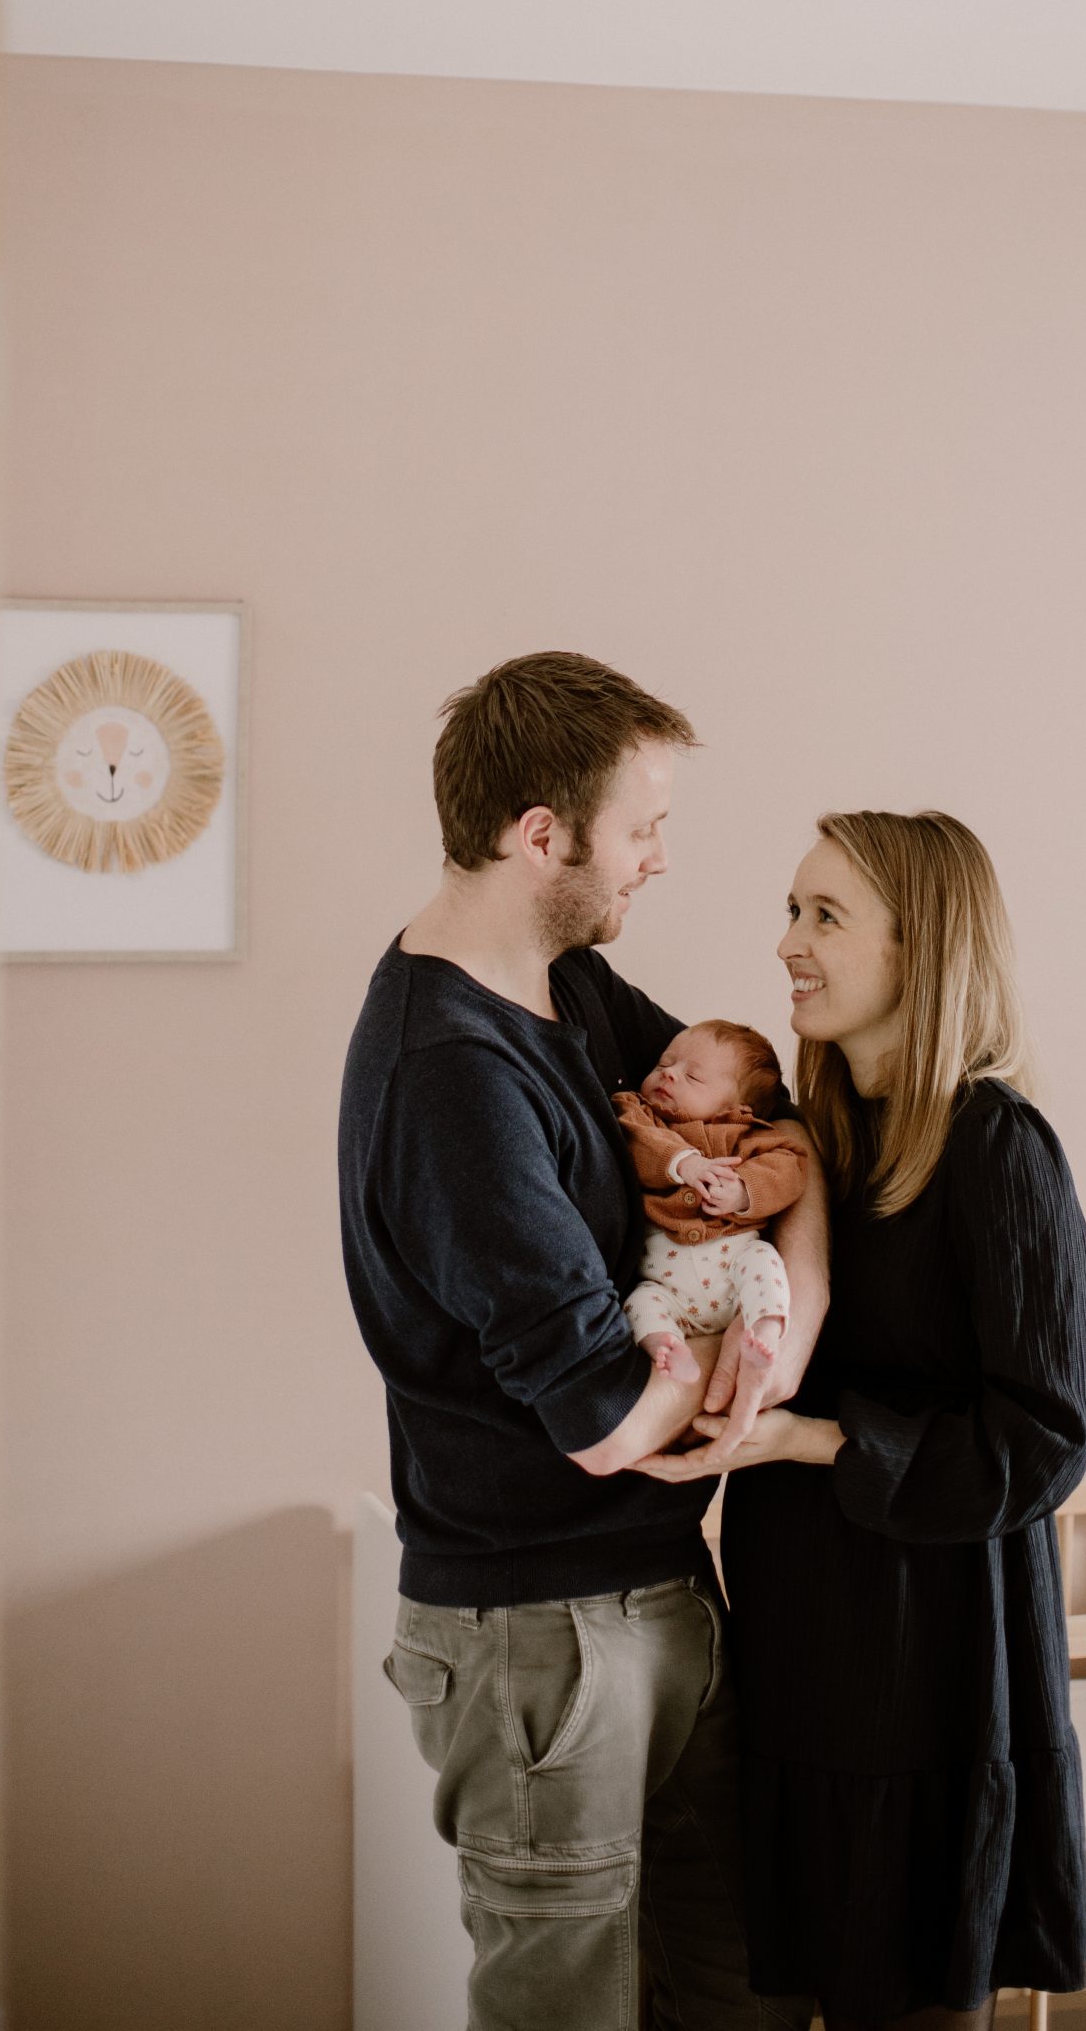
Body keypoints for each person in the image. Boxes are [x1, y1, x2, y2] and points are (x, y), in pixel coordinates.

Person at [338, 651, 824, 2031]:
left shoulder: (573, 990)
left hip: (658, 1590)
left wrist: (784, 1326)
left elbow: (773, 1133)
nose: (660, 859)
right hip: (538, 1636)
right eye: (642, 828)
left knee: (741, 1988)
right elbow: (604, 1417)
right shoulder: (452, 1071)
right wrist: (758, 1388)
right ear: (541, 836)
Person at [636, 810, 1086, 2031]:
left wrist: (807, 1439)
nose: (788, 941)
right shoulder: (812, 1145)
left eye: (825, 915)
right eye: (791, 910)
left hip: (928, 1672)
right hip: (800, 1651)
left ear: (919, 946)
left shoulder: (999, 1149)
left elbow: (1044, 1440)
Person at [616, 1019, 808, 1384]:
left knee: (764, 1261)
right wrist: (684, 1163)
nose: (669, 1074)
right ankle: (668, 1347)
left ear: (738, 1107)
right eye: (663, 1063)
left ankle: (765, 1329)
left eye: (693, 1077)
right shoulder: (639, 1115)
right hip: (665, 1281)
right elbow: (634, 1141)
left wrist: (743, 1191)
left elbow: (790, 1168)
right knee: (639, 1303)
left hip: (734, 1269)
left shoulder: (747, 1136)